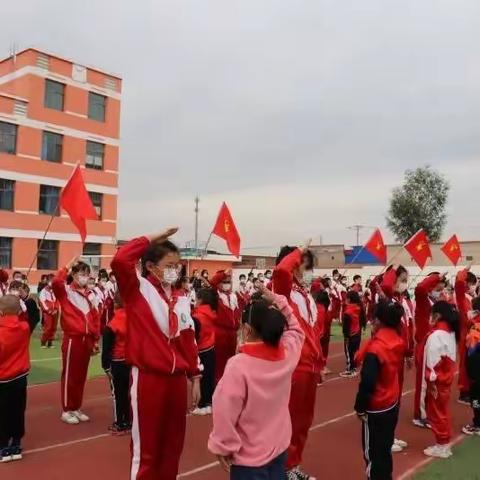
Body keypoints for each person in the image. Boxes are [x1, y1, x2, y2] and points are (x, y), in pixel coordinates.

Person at [111, 228, 201, 480]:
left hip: (176, 381)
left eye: (178, 265)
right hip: (149, 380)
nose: (175, 270)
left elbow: (187, 340)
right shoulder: (138, 290)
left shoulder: (181, 298)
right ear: (150, 266)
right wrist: (152, 238)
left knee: (172, 448)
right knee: (147, 451)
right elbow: (120, 260)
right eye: (169, 265)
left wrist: (195, 376)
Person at [208, 286, 305, 480]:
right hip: (279, 449)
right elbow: (296, 329)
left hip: (249, 459)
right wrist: (279, 301)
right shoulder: (288, 354)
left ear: (247, 329)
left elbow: (224, 408)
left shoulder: (238, 366)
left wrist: (223, 445)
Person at [273, 242, 321, 480]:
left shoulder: (306, 296)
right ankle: (282, 468)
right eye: (305, 266)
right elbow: (281, 271)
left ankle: (293, 465)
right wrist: (298, 251)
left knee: (304, 420)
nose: (308, 272)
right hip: (294, 365)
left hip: (311, 364)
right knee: (289, 419)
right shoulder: (283, 291)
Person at [354, 300, 406, 480]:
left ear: (378, 320)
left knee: (372, 455)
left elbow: (368, 380)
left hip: (376, 407)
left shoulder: (376, 347)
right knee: (384, 450)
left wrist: (359, 406)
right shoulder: (398, 339)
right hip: (391, 402)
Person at [52, 258, 101, 425]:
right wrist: (67, 265)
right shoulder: (66, 291)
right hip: (73, 339)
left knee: (81, 376)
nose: (85, 277)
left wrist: (95, 339)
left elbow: (95, 318)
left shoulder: (91, 294)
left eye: (87, 274)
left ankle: (76, 407)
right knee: (70, 376)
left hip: (87, 340)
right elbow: (56, 282)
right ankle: (66, 409)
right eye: (81, 274)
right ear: (73, 274)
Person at [0, 294, 40, 463]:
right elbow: (34, 315)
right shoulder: (24, 327)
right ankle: (16, 444)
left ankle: (3, 446)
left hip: (2, 378)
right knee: (17, 410)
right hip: (20, 377)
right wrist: (25, 301)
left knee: (2, 412)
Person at [421, 301, 459, 458]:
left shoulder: (436, 335)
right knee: (442, 412)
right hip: (445, 379)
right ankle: (443, 443)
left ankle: (442, 445)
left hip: (438, 381)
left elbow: (432, 362)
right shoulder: (450, 332)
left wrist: (430, 381)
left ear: (437, 315)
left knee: (437, 413)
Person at [412, 273, 447, 428]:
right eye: (440, 283)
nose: (442, 287)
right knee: (423, 382)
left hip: (435, 343)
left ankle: (427, 410)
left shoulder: (433, 300)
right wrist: (436, 277)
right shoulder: (422, 298)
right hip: (425, 344)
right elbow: (420, 288)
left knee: (432, 379)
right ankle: (419, 415)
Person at [101, 293, 131, 435]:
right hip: (131, 361)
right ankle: (129, 420)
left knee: (118, 394)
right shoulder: (133, 320)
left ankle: (120, 423)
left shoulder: (112, 325)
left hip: (117, 362)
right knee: (129, 392)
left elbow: (106, 349)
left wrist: (106, 367)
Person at [210, 269, 240, 383]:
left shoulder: (233, 296)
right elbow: (211, 282)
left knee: (231, 359)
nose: (227, 284)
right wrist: (223, 274)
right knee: (220, 359)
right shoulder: (215, 296)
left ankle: (230, 380)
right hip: (220, 333)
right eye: (224, 281)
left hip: (233, 333)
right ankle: (219, 382)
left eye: (229, 281)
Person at [192, 288, 218, 415]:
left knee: (202, 378)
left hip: (201, 350)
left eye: (196, 299)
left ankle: (202, 404)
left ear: (200, 300)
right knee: (209, 377)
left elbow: (194, 338)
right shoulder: (212, 313)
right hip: (211, 348)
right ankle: (209, 402)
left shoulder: (197, 317)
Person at [455, 267, 478, 404]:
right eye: (472, 283)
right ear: (467, 283)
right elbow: (458, 284)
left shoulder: (471, 298)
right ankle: (464, 392)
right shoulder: (461, 297)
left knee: (472, 363)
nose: (473, 286)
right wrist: (463, 273)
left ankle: (470, 388)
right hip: (466, 333)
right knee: (465, 363)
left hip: (474, 334)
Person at [462, 296, 480, 436]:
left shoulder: (475, 328)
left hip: (477, 371)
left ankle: (478, 424)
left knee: (476, 399)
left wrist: (471, 373)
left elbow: (472, 354)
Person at [340, 290, 366, 378]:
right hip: (357, 333)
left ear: (349, 299)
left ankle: (350, 369)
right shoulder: (359, 307)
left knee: (349, 352)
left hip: (350, 334)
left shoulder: (348, 311)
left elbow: (346, 325)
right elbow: (363, 319)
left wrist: (346, 335)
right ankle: (354, 368)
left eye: (347, 298)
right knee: (355, 351)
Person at [38, 274, 59, 349]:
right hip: (48, 313)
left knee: (54, 327)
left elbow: (57, 300)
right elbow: (42, 302)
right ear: (47, 281)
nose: (52, 282)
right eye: (50, 280)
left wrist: (56, 309)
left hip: (55, 312)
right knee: (48, 327)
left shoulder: (55, 290)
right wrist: (49, 311)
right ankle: (43, 342)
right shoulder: (43, 291)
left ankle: (50, 342)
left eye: (53, 280)